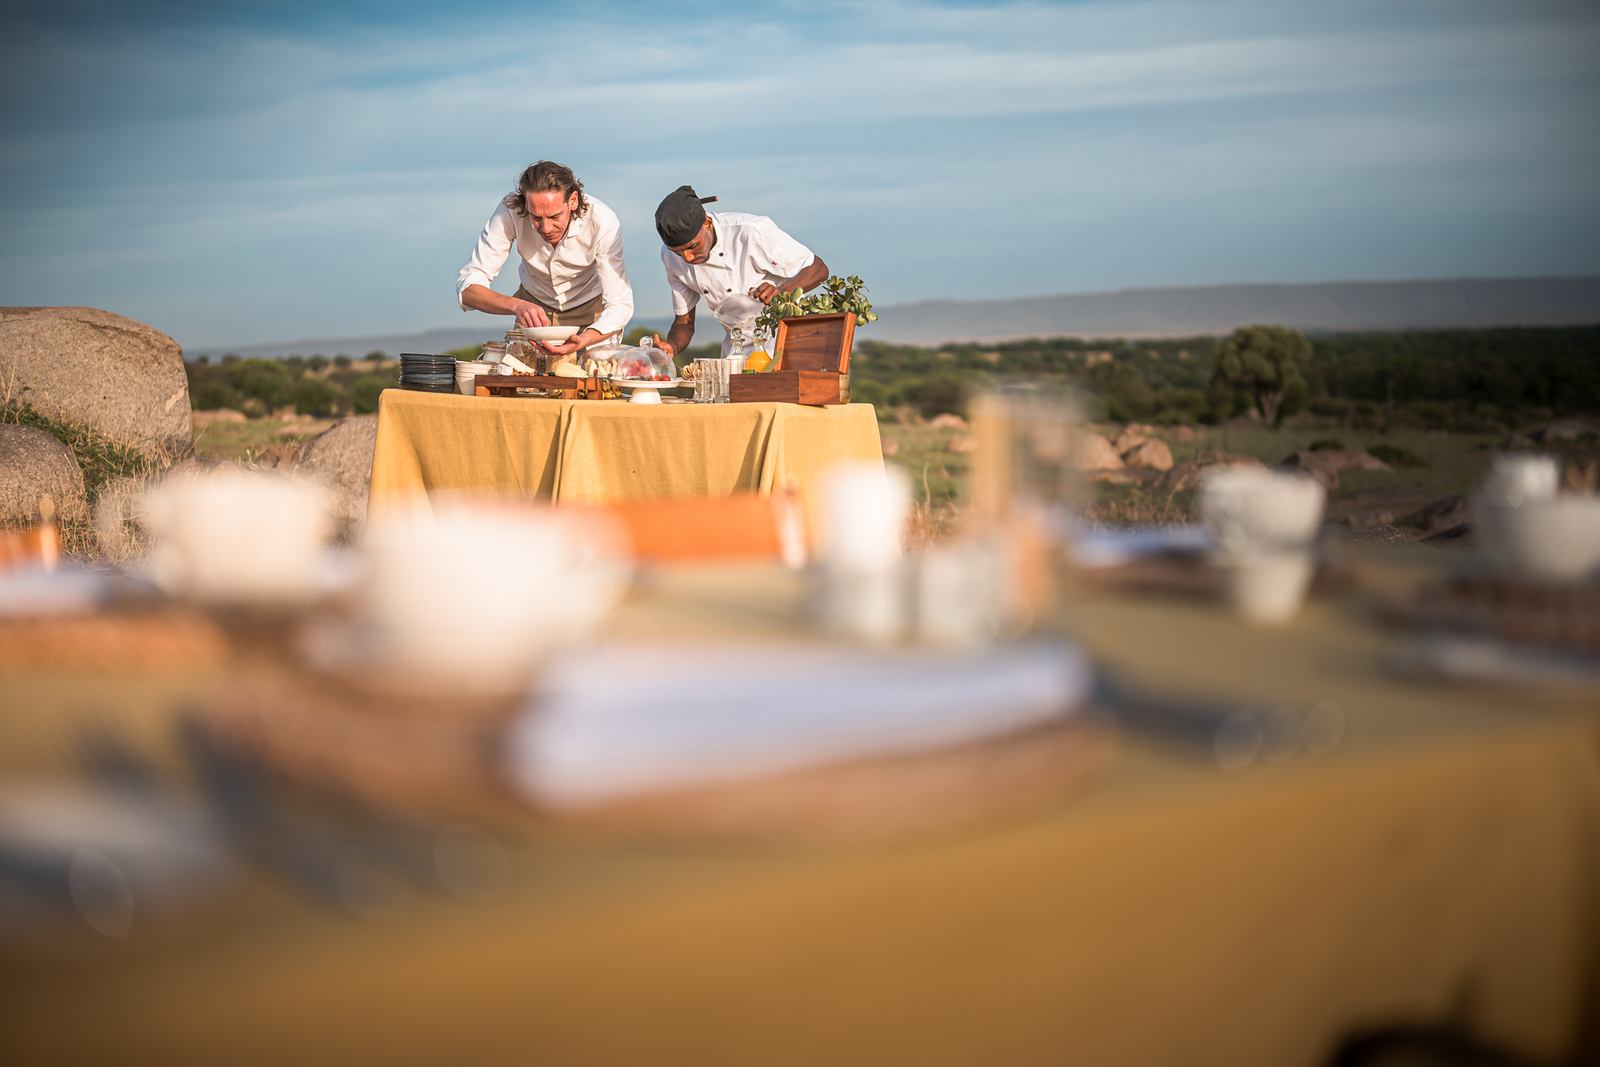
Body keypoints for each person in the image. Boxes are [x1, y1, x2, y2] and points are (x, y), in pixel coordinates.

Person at [457, 161, 634, 358]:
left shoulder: (604, 222)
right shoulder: (509, 211)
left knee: (593, 381)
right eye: (536, 218)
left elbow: (620, 305)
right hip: (531, 310)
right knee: (521, 383)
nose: (546, 228)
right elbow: (468, 289)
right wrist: (517, 305)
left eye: (555, 216)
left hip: (592, 313)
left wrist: (583, 340)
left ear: (573, 200)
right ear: (525, 204)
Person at [649, 186, 828, 359]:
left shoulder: (752, 232)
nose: (686, 258)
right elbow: (684, 323)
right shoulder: (670, 258)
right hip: (736, 350)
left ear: (707, 223)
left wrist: (783, 292)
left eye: (692, 247)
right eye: (677, 251)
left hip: (785, 340)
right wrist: (672, 346)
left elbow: (818, 269)